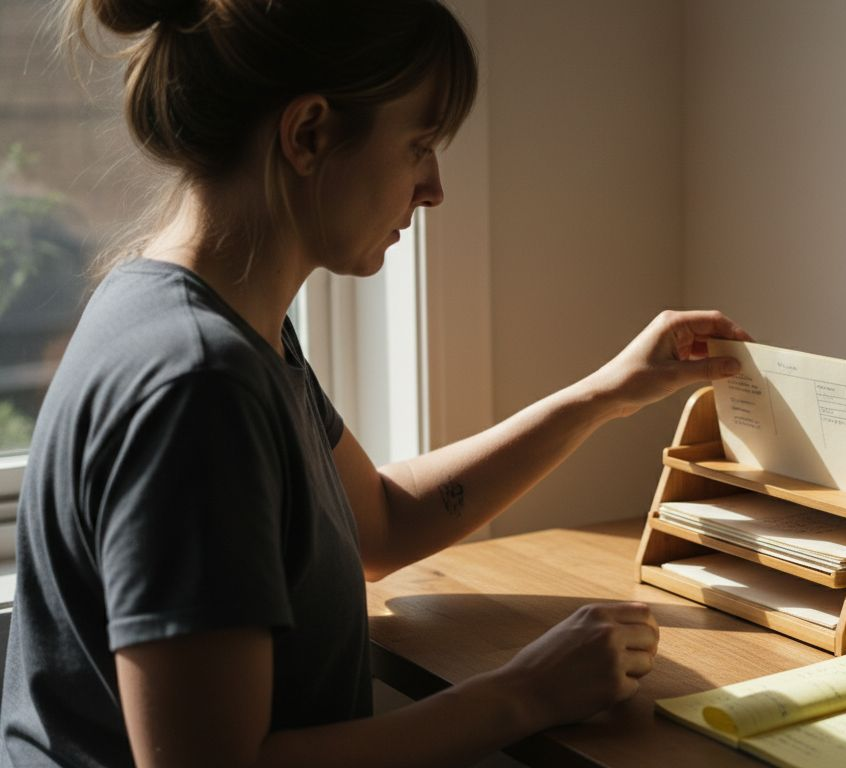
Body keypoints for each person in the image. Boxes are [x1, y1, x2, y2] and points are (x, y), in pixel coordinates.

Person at [0, 1, 750, 765]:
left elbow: (380, 523)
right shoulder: (198, 385)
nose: (434, 188)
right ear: (309, 134)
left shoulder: (217, 320)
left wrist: (605, 395)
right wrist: (522, 694)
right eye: (419, 145)